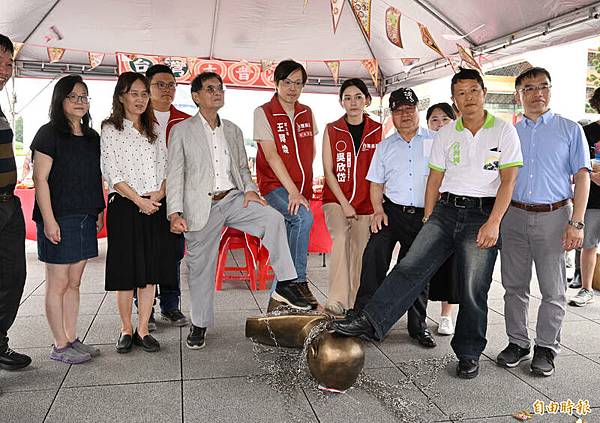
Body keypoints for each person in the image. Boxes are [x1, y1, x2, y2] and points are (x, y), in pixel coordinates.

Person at [332, 68, 523, 380]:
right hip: (444, 212)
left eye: (474, 91)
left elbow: (509, 181)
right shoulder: (447, 134)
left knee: (474, 288)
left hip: (481, 216)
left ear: (483, 92)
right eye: (461, 93)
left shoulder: (503, 131)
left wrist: (494, 222)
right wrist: (429, 219)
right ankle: (370, 321)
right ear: (454, 99)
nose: (469, 97)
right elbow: (434, 181)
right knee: (409, 267)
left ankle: (469, 352)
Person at [166, 72, 301, 349]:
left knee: (273, 218)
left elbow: (241, 168)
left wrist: (251, 189)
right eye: (211, 89)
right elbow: (175, 173)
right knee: (200, 268)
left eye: (220, 89)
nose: (218, 93)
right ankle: (200, 323)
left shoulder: (232, 130)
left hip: (234, 198)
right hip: (200, 206)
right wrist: (174, 212)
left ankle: (287, 281)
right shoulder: (182, 131)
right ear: (196, 96)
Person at [497, 67, 590, 377]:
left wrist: (576, 222)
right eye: (529, 88)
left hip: (555, 216)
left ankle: (546, 346)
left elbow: (582, 176)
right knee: (514, 285)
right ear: (518, 95)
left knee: (553, 289)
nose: (537, 93)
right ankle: (518, 342)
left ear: (551, 90)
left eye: (543, 87)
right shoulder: (507, 132)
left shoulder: (570, 129)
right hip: (513, 215)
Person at [351, 87, 440, 349]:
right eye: (399, 110)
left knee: (416, 269)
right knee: (373, 259)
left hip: (424, 216)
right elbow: (375, 183)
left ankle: (418, 326)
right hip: (391, 212)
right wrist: (377, 210)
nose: (405, 115)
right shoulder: (385, 146)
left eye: (409, 109)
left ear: (418, 111)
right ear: (392, 114)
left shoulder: (435, 142)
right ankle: (363, 317)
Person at [101, 72, 178, 353]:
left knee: (149, 275)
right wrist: (139, 200)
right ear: (121, 96)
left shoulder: (154, 130)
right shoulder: (111, 128)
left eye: (144, 94)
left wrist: (158, 194)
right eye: (134, 93)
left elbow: (169, 169)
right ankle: (126, 328)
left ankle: (144, 329)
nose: (140, 99)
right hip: (125, 206)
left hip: (154, 205)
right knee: (126, 274)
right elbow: (112, 171)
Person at [31, 75, 105, 364]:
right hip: (59, 217)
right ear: (60, 100)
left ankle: (72, 337)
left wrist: (98, 211)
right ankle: (59, 344)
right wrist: (49, 221)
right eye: (73, 96)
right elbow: (40, 179)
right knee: (57, 282)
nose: (79, 102)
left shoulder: (92, 137)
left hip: (85, 215)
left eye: (84, 97)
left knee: (75, 282)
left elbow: (94, 177)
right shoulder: (48, 134)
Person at [254, 60, 318, 309]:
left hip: (302, 189)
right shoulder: (263, 112)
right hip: (274, 187)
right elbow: (271, 155)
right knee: (301, 219)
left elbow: (309, 151)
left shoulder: (307, 112)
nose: (293, 88)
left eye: (298, 83)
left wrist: (301, 188)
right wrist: (292, 191)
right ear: (276, 83)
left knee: (294, 228)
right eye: (287, 82)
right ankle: (297, 281)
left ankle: (279, 296)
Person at [321, 78, 382, 315]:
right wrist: (344, 203)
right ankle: (336, 299)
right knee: (340, 240)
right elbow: (328, 170)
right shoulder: (332, 129)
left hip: (367, 203)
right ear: (341, 102)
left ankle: (356, 300)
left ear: (367, 100)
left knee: (360, 250)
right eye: (347, 98)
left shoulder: (377, 130)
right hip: (336, 199)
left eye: (358, 97)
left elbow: (381, 170)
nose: (353, 102)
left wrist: (377, 205)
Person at [141, 64, 190, 329]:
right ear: (147, 87)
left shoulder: (184, 119)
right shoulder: (137, 118)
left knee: (172, 252)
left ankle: (171, 306)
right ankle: (145, 310)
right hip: (144, 196)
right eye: (160, 84)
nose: (167, 89)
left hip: (175, 196)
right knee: (145, 252)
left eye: (171, 84)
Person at [0, 33, 31, 371]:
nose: (5, 69)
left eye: (8, 63)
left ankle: (0, 342)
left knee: (13, 277)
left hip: (8, 205)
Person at [426, 102, 457, 336]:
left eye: (445, 119)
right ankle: (418, 314)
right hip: (426, 211)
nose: (439, 124)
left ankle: (446, 316)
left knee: (449, 265)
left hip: (450, 212)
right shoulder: (421, 144)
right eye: (434, 119)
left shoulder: (459, 143)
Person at [569, 87, 600, 306]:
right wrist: (592, 175)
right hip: (592, 200)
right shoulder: (586, 132)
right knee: (588, 245)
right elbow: (575, 167)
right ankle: (586, 288)